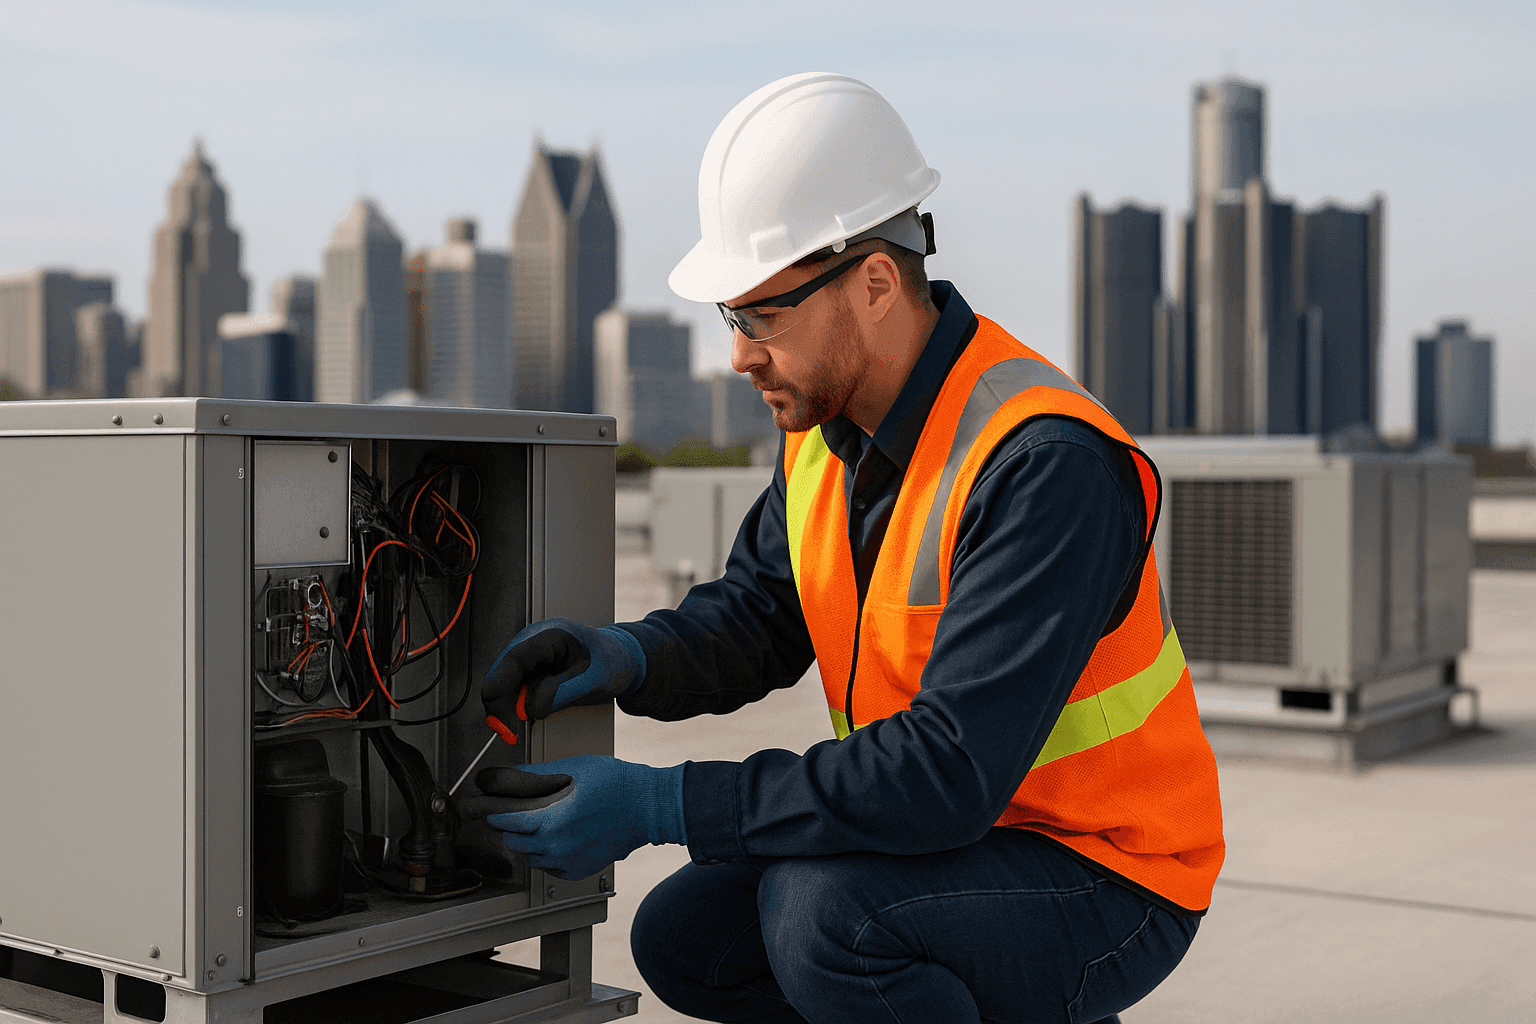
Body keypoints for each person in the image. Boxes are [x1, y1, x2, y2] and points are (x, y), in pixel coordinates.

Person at [465, 72, 1225, 1024]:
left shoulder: (1041, 463)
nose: (739, 354)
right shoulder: (824, 436)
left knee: (829, 917)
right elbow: (757, 616)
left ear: (872, 282)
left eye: (762, 315)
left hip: (1108, 869)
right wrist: (625, 656)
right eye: (731, 317)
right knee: (687, 935)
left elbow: (945, 773)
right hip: (953, 837)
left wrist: (661, 807)